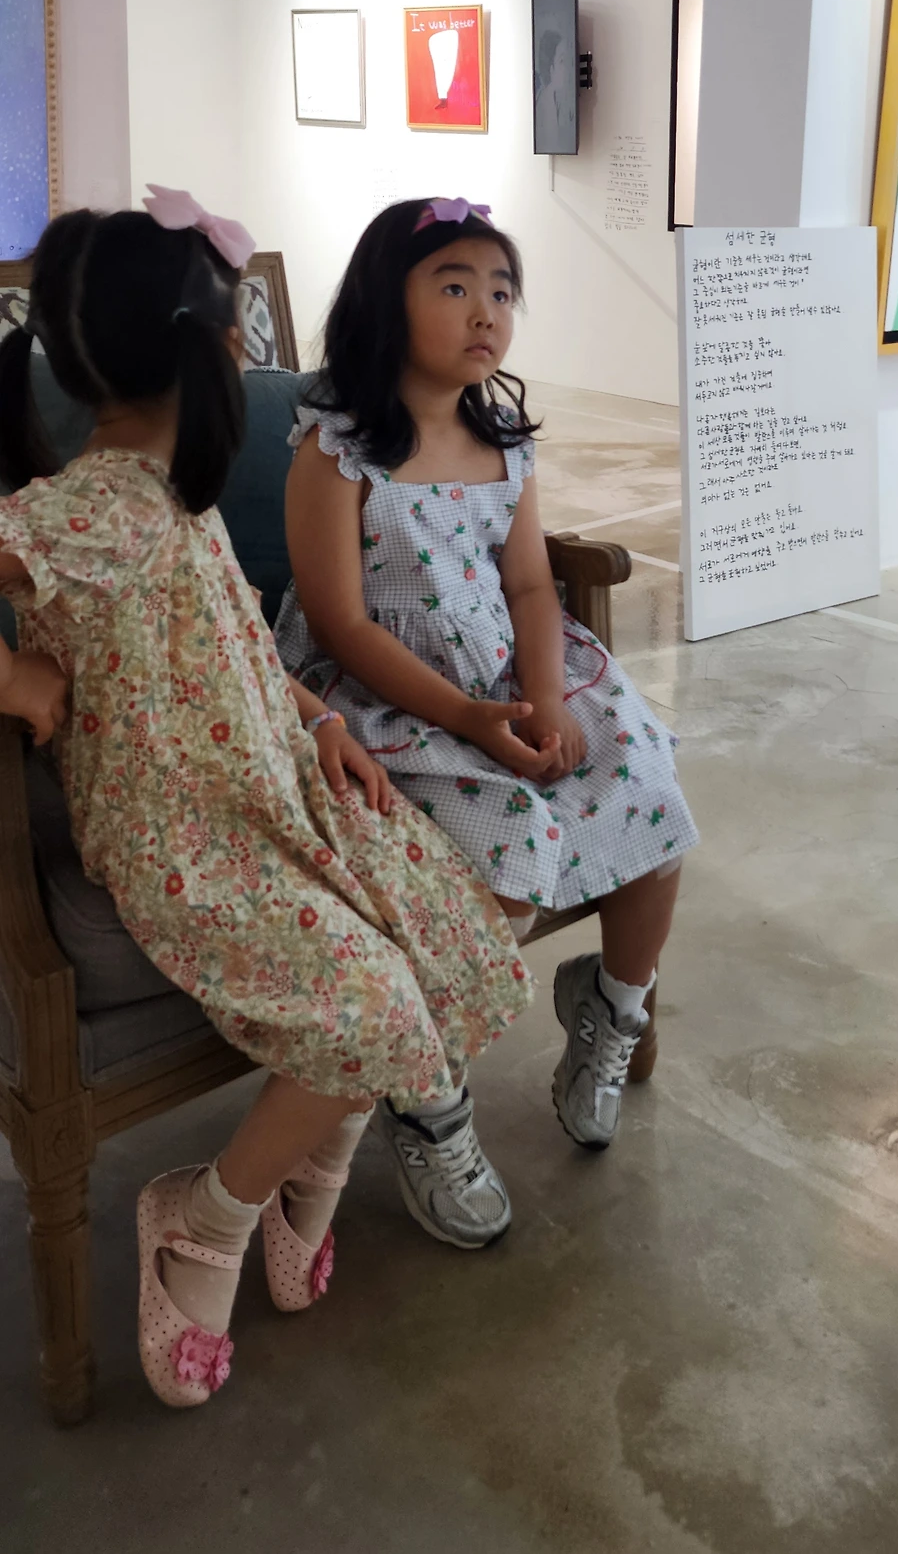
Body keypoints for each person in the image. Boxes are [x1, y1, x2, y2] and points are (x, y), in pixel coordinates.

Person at [0, 196, 530, 1412]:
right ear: (206, 350)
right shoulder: (89, 508)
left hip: (271, 787)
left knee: (443, 927)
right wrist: (17, 678)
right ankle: (204, 1215)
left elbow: (233, 644)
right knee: (375, 1005)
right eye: (235, 333)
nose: (247, 354)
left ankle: (311, 1170)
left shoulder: (170, 499)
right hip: (181, 830)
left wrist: (321, 723)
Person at [274, 197, 698, 1171]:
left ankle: (613, 1006)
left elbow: (530, 584)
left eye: (501, 292)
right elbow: (339, 623)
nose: (485, 312)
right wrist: (468, 715)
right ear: (385, 301)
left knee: (652, 797)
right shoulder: (336, 450)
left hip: (510, 669)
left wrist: (543, 697)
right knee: (507, 853)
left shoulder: (504, 438)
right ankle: (427, 1094)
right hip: (387, 694)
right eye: (454, 286)